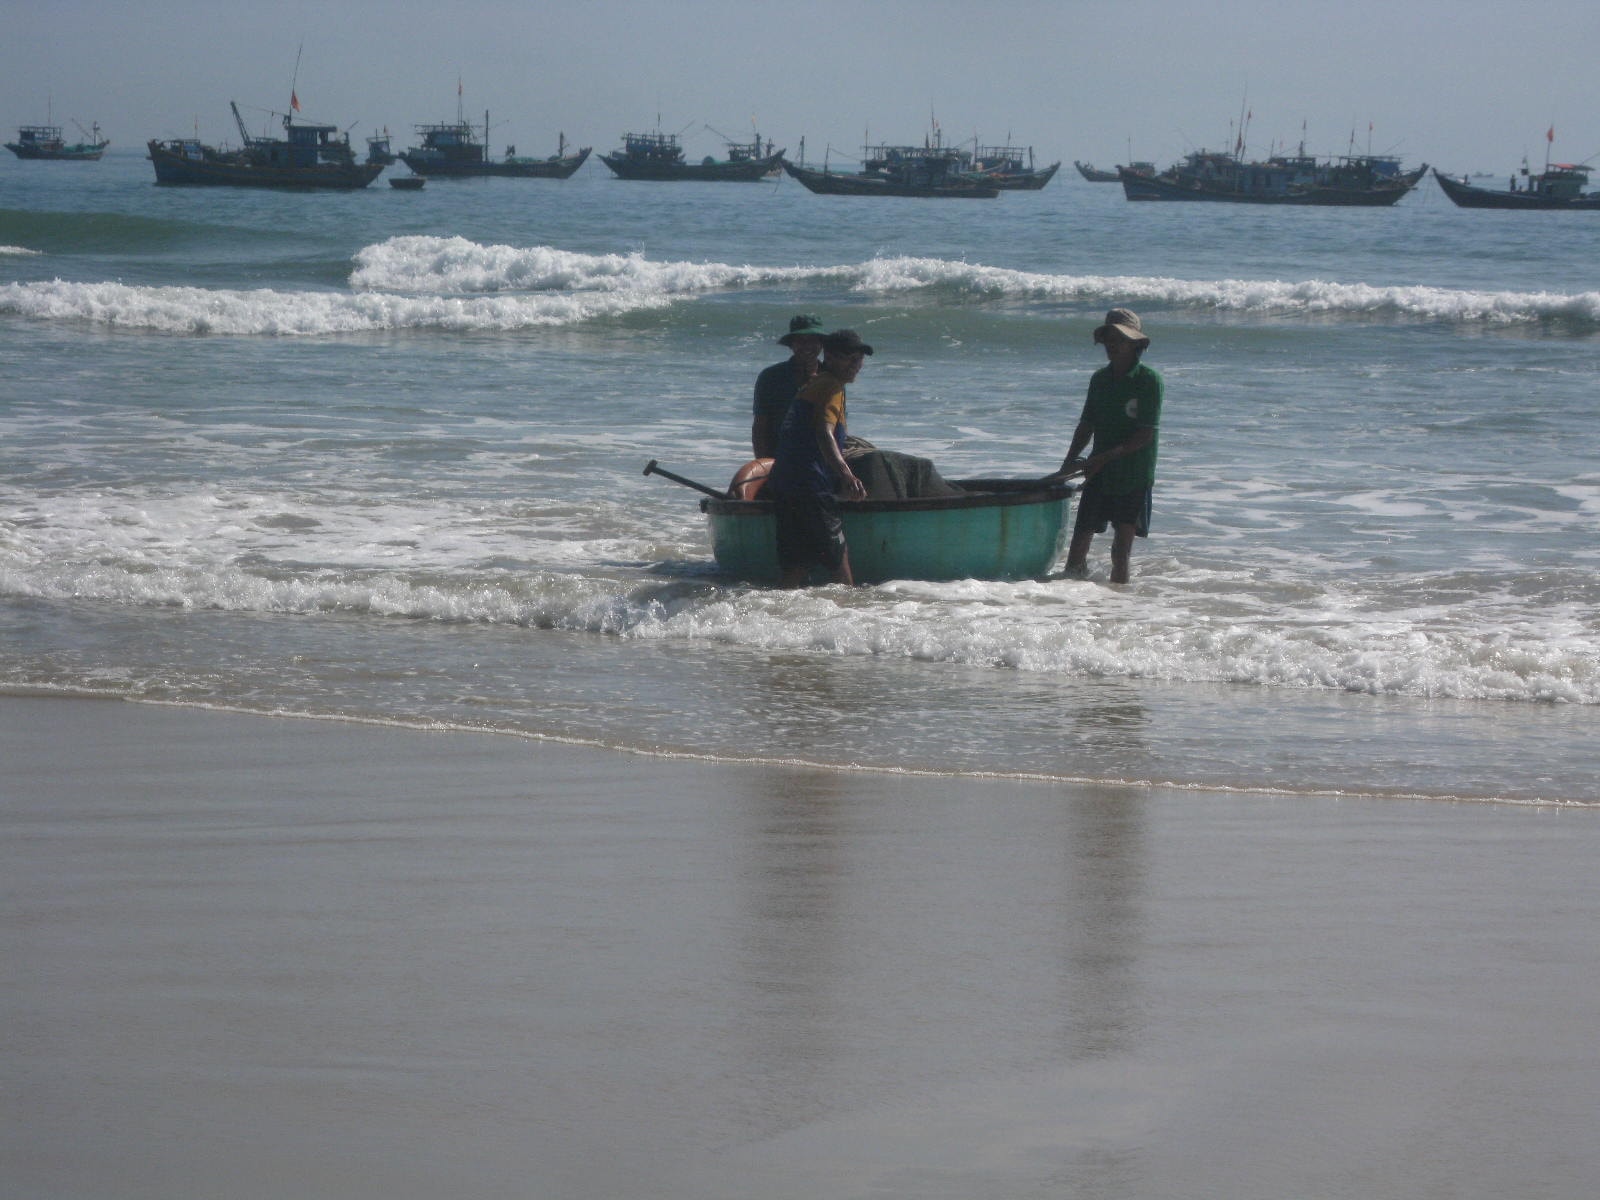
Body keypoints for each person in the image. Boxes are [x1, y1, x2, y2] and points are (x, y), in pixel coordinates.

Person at [1052, 308, 1163, 584]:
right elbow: (1086, 425)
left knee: (1120, 552)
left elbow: (1144, 435)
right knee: (1078, 546)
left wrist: (1103, 458)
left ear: (1135, 344)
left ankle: (1119, 603)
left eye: (1120, 339)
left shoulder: (1149, 381)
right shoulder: (1100, 379)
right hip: (1099, 470)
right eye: (1109, 339)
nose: (1112, 345)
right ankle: (1069, 600)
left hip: (1134, 472)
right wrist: (1069, 461)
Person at [764, 329, 872, 587]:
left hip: (785, 484)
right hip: (810, 487)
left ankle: (771, 610)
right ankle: (849, 610)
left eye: (859, 359)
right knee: (839, 566)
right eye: (849, 359)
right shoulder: (832, 386)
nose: (855, 366)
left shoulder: (814, 384)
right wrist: (846, 474)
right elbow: (824, 433)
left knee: (796, 567)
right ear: (830, 357)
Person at [751, 314, 827, 459]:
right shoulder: (770, 377)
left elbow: (837, 425)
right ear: (791, 344)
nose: (807, 346)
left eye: (813, 340)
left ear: (821, 344)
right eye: (801, 341)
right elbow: (760, 427)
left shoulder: (831, 378)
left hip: (821, 457)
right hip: (780, 456)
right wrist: (763, 462)